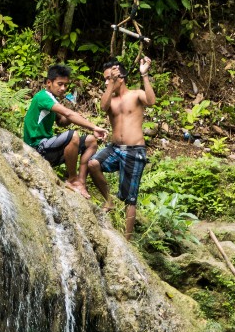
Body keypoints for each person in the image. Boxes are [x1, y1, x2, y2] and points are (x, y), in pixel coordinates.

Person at [95, 54, 156, 236]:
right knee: (92, 163)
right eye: (106, 79)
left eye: (110, 78)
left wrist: (144, 75)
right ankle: (109, 201)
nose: (107, 82)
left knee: (130, 199)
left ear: (121, 77)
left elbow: (151, 101)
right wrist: (111, 86)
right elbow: (103, 107)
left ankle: (127, 241)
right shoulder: (110, 99)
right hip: (114, 149)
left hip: (134, 150)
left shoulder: (135, 95)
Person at [22, 63, 106, 191]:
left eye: (66, 85)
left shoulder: (52, 99)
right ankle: (72, 179)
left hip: (47, 148)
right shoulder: (43, 97)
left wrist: (72, 112)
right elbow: (67, 114)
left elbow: (61, 121)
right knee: (73, 136)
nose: (63, 88)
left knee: (91, 141)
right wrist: (93, 127)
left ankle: (80, 182)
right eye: (60, 84)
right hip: (36, 147)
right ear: (49, 82)